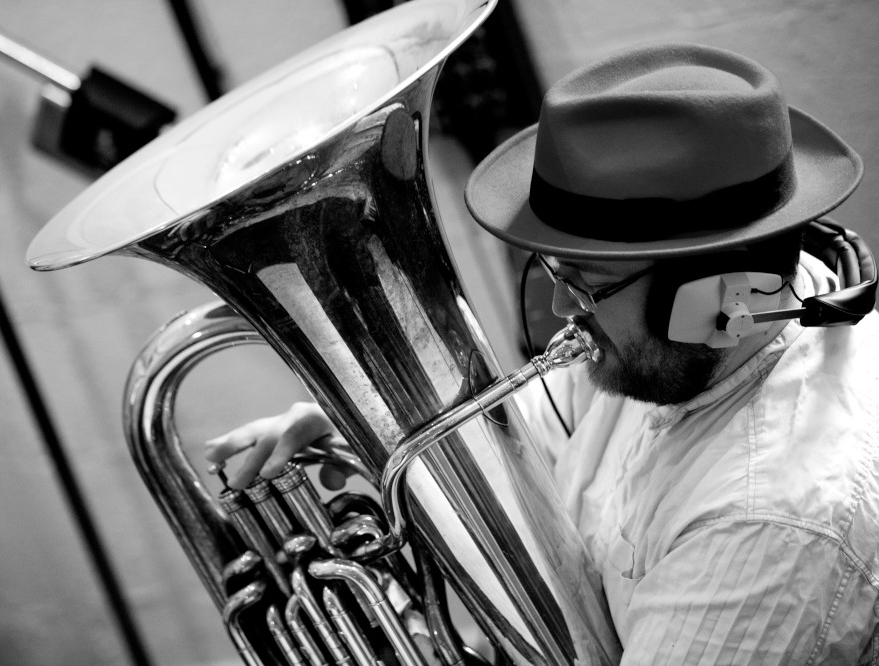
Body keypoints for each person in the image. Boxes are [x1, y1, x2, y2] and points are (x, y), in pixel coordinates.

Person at [207, 42, 879, 663]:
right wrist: (374, 438)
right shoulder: (671, 352)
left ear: (718, 299)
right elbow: (527, 441)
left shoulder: (767, 523)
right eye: (556, 273)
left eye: (587, 285)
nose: (562, 310)